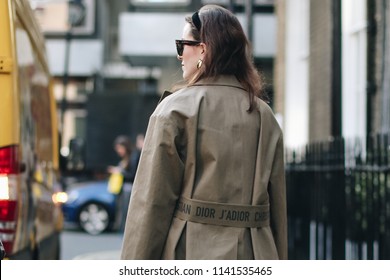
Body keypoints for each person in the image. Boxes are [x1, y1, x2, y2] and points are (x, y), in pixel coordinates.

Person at [121, 4, 287, 260]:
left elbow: (151, 205)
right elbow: (278, 213)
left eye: (182, 45)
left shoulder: (174, 110)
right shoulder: (265, 115)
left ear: (203, 49)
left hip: (192, 252)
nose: (179, 56)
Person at [107, 135, 134, 231]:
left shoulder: (132, 158)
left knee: (125, 212)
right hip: (122, 189)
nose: (118, 151)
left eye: (120, 148)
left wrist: (119, 171)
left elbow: (132, 175)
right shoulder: (125, 159)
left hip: (128, 189)